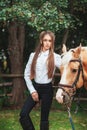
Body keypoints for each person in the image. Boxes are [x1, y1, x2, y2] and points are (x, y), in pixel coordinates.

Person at [19, 30, 61, 130]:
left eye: (50, 41)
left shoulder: (56, 57)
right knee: (23, 114)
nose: (47, 43)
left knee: (44, 120)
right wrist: (33, 91)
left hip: (47, 89)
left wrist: (67, 53)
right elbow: (26, 74)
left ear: (52, 42)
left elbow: (67, 68)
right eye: (45, 40)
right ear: (41, 40)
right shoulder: (33, 55)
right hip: (35, 87)